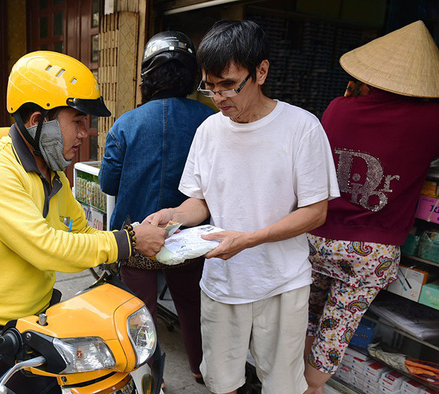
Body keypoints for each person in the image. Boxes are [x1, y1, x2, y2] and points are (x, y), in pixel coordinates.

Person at [0, 51, 168, 393]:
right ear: (36, 120)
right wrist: (128, 241)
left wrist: (134, 244)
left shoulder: (54, 178)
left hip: (32, 325)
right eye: (77, 121)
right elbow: (44, 247)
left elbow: (82, 233)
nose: (86, 134)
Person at [145, 20, 340, 394]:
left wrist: (249, 239)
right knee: (222, 380)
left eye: (229, 85)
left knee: (283, 384)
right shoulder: (209, 131)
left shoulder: (302, 128)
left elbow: (316, 212)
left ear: (261, 71)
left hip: (282, 281)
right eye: (210, 86)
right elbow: (200, 201)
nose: (219, 97)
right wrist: (175, 216)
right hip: (222, 281)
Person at [303, 20, 439, 394]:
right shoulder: (431, 120)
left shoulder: (337, 108)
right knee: (337, 327)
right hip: (371, 253)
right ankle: (312, 389)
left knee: (308, 317)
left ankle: (292, 380)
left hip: (318, 238)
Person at [99, 30, 215, 385]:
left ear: (147, 77)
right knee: (192, 308)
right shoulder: (211, 120)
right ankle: (200, 368)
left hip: (136, 236)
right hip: (190, 238)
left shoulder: (126, 124)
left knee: (140, 312)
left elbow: (107, 184)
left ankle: (154, 376)